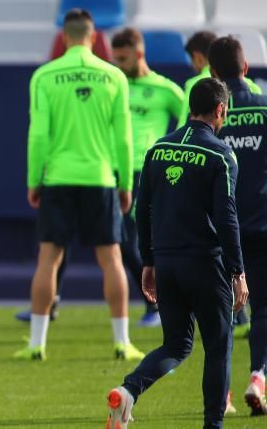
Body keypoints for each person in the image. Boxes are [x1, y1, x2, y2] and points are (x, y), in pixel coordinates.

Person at [106, 77, 248, 429]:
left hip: (166, 262)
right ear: (221, 109)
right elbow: (226, 217)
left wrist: (148, 261)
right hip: (205, 262)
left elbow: (142, 210)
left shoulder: (157, 149)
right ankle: (212, 425)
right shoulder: (220, 154)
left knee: (176, 345)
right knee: (217, 346)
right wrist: (238, 270)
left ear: (189, 107)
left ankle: (128, 391)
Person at [18, 9, 144, 361]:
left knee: (49, 259)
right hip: (100, 177)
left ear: (64, 37)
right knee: (112, 259)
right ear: (93, 37)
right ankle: (122, 342)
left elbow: (38, 135)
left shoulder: (44, 76)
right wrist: (124, 182)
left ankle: (36, 344)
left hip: (58, 177)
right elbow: (123, 137)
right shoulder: (114, 76)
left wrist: (34, 179)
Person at [109, 27, 186, 327]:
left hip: (149, 172)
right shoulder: (115, 85)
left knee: (139, 239)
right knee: (123, 240)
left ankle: (159, 304)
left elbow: (191, 121)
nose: (118, 64)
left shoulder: (165, 89)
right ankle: (155, 303)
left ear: (139, 54)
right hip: (116, 170)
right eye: (115, 59)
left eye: (123, 58)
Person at [206, 36, 267, 416]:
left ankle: (222, 395)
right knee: (264, 308)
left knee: (222, 313)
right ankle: (259, 376)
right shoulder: (264, 107)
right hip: (263, 224)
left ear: (213, 72)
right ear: (246, 68)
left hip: (220, 229)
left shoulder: (208, 115)